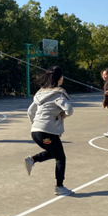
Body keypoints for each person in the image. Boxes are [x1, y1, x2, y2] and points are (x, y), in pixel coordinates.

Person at [24, 66, 74, 196]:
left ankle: (32, 160)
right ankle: (59, 187)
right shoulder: (58, 94)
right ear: (60, 78)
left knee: (55, 152)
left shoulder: (40, 93)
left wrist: (36, 124)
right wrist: (64, 114)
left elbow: (30, 112)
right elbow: (69, 110)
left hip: (35, 131)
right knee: (60, 157)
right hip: (47, 132)